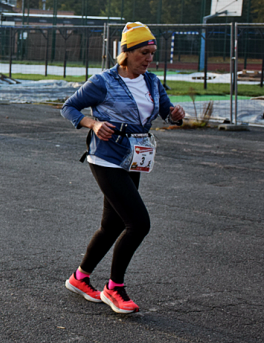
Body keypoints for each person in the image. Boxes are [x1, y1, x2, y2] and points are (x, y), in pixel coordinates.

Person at [61, 22, 185, 314]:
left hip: (135, 158)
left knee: (113, 224)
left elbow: (166, 112)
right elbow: (69, 107)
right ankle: (114, 287)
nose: (149, 58)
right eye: (143, 52)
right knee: (138, 223)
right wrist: (93, 123)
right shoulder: (104, 81)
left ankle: (79, 278)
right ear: (126, 53)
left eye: (152, 53)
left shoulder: (152, 81)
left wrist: (176, 114)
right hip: (106, 157)